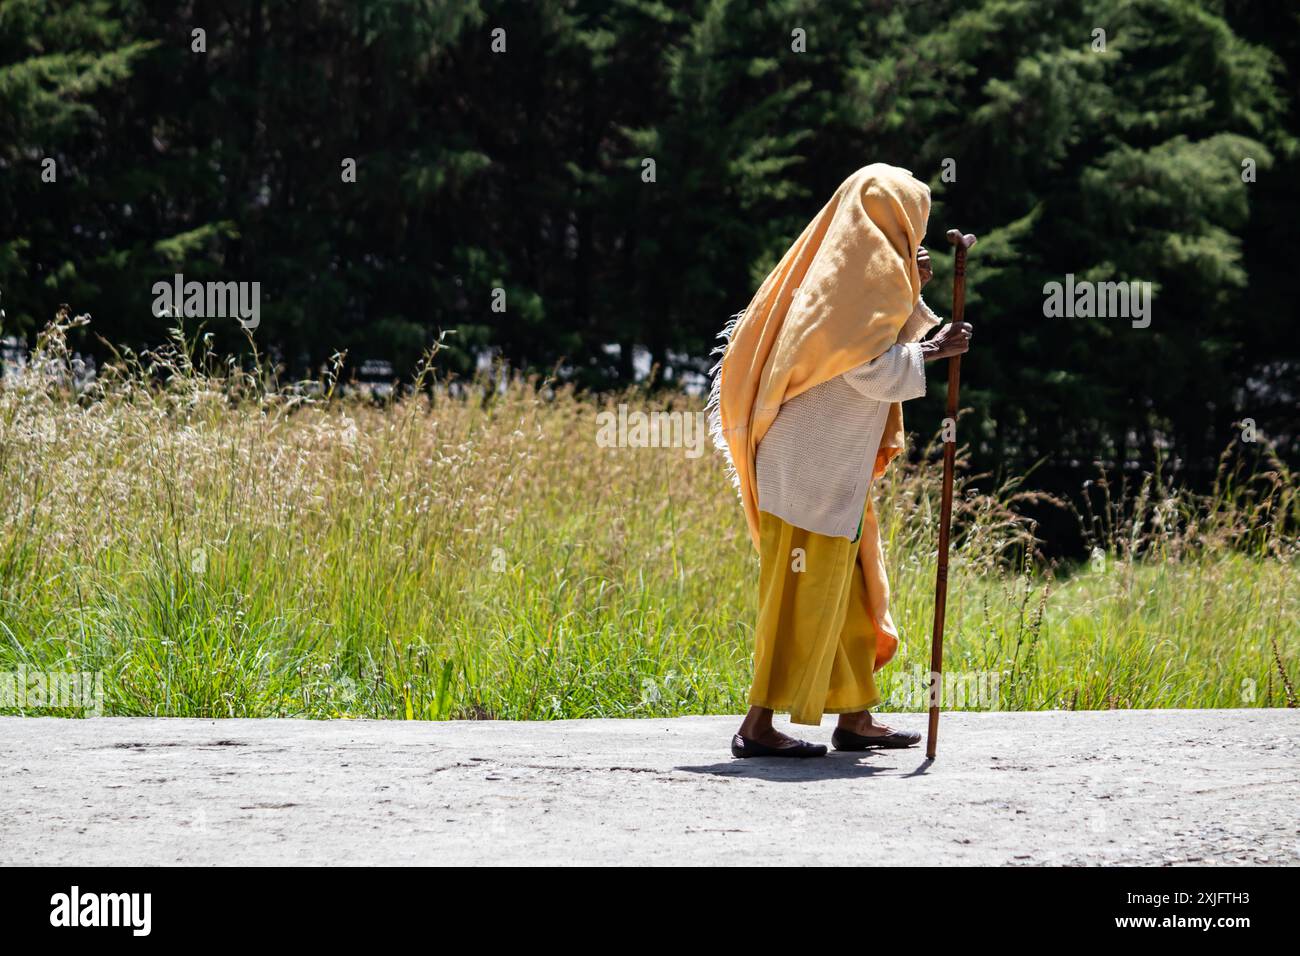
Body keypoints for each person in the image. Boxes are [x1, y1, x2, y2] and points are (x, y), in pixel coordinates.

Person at [707, 164, 974, 758]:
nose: (918, 233)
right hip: (810, 468)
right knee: (800, 589)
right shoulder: (868, 275)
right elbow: (868, 366)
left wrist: (914, 290)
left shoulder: (855, 267)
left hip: (823, 465)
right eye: (915, 220)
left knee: (850, 584)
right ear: (896, 216)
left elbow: (871, 340)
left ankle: (855, 716)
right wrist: (932, 348)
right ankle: (757, 725)